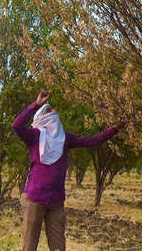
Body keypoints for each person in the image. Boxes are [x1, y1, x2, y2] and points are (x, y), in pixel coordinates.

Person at [12, 91, 126, 251]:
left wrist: (113, 129)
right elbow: (17, 125)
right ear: (42, 118)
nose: (54, 111)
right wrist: (36, 105)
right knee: (29, 246)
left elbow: (92, 140)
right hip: (35, 198)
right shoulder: (34, 136)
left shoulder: (65, 138)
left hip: (56, 200)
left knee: (59, 246)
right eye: (49, 110)